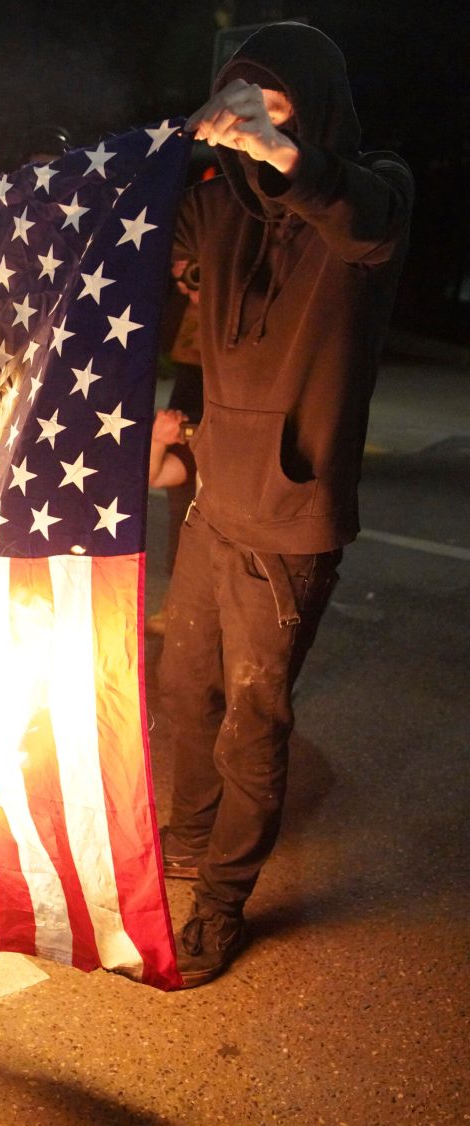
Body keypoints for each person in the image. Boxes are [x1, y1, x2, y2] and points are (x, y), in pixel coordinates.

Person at [159, 22, 413, 987]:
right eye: (235, 94)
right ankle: (185, 843)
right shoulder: (217, 205)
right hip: (215, 502)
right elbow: (131, 247)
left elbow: (368, 218)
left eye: (271, 94)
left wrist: (279, 151)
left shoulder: (370, 189)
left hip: (291, 521)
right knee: (186, 695)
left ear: (313, 100)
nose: (248, 112)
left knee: (251, 723)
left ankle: (220, 903)